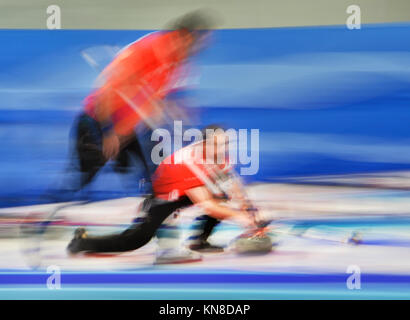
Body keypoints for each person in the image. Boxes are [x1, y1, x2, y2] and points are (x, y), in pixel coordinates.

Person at [56, 10, 217, 200]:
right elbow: (106, 90)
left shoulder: (179, 63)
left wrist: (177, 115)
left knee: (159, 175)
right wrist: (108, 131)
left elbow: (160, 100)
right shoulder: (147, 50)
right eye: (198, 43)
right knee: (81, 181)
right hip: (97, 124)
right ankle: (42, 215)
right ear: (184, 36)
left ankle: (154, 219)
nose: (198, 49)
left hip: (128, 132)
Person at [67, 127, 257, 263]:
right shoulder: (190, 162)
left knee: (222, 195)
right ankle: (83, 241)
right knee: (135, 240)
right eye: (217, 145)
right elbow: (207, 205)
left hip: (185, 192)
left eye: (225, 144)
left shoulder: (219, 156)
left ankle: (200, 240)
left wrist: (249, 209)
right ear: (204, 144)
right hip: (162, 197)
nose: (223, 149)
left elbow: (231, 183)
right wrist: (241, 217)